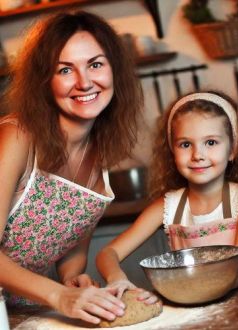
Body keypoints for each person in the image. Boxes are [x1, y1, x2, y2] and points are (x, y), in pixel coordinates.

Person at [0, 10, 153, 325]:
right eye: (65, 70)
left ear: (115, 71)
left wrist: (73, 279)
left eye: (95, 64)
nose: (85, 82)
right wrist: (59, 296)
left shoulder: (100, 155)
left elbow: (69, 246)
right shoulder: (17, 137)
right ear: (44, 80)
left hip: (21, 312)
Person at [96, 91, 238, 295]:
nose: (197, 155)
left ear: (233, 149)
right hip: (191, 303)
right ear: (172, 152)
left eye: (210, 142)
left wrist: (186, 287)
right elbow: (107, 253)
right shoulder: (168, 207)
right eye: (185, 144)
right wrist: (117, 278)